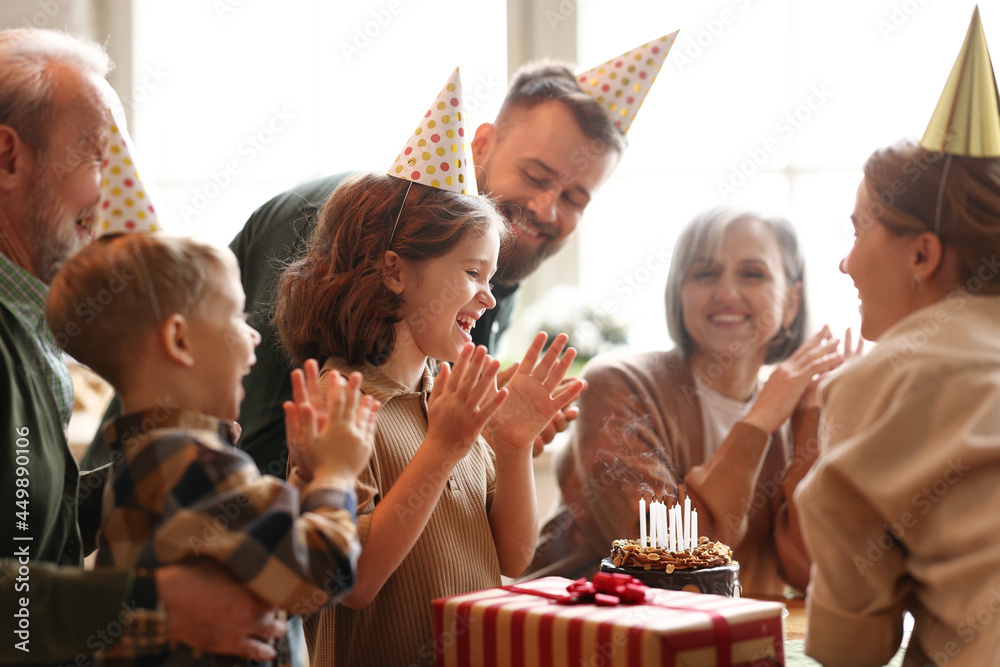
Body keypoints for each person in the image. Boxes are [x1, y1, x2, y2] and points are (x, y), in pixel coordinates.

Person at [190, 60, 629, 478]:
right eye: (535, 175)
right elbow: (266, 449)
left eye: (574, 199)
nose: (545, 208)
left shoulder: (497, 280)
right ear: (481, 146)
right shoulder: (337, 226)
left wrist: (493, 431)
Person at [0, 28, 285, 664]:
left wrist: (155, 466)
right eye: (102, 157)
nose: (113, 194)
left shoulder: (26, 323)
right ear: (8, 158)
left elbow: (25, 526)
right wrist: (144, 602)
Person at [273, 169, 585, 665]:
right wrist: (443, 448)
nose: (487, 297)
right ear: (395, 271)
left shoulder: (448, 394)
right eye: (472, 273)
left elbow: (515, 556)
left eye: (491, 278)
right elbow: (354, 584)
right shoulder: (338, 401)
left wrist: (512, 445)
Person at [44, 233, 378, 664]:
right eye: (237, 316)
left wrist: (303, 481)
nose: (254, 335)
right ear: (180, 340)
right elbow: (319, 574)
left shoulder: (150, 459)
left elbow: (250, 561)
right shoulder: (191, 463)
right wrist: (337, 474)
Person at [796, 12, 1000, 659]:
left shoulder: (883, 378)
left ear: (923, 254)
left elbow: (851, 646)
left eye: (858, 230)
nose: (846, 262)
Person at [524, 208, 852, 597]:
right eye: (704, 273)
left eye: (752, 274)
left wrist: (814, 414)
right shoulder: (617, 384)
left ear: (791, 302)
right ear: (679, 293)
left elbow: (813, 571)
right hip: (589, 637)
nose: (727, 294)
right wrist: (759, 421)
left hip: (728, 642)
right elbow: (667, 555)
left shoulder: (795, 408)